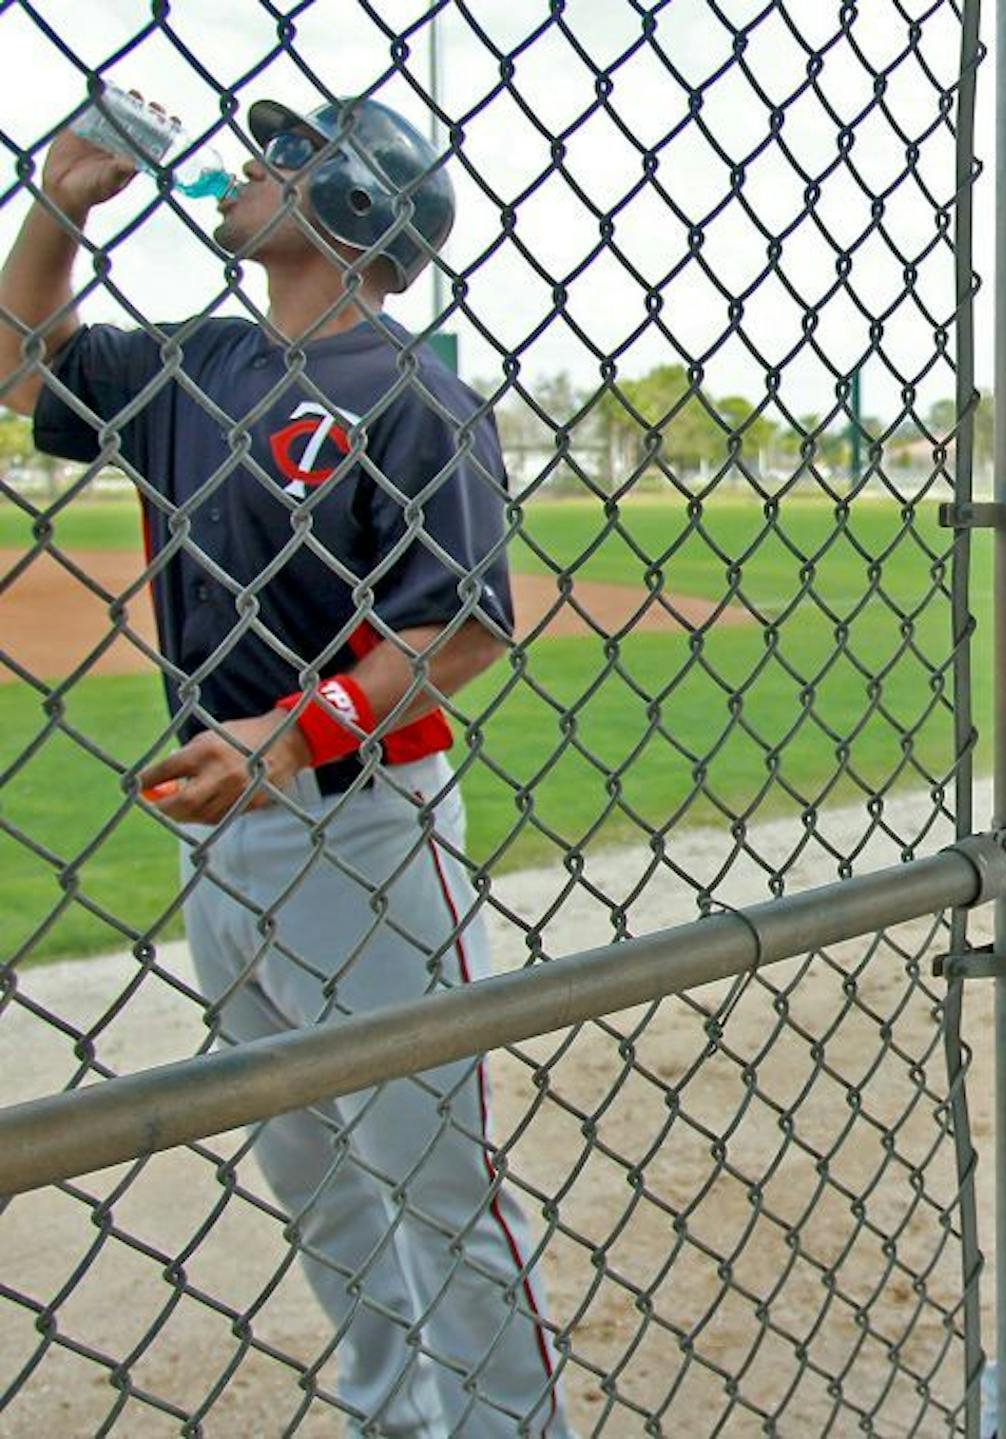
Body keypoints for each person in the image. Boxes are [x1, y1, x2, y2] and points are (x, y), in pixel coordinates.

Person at [0, 95, 572, 1437]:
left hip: (364, 825)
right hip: (227, 829)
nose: (253, 165)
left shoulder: (413, 392)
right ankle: (396, 1423)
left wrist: (300, 730)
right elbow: (21, 359)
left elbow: (461, 624)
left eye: (296, 153)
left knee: (436, 1180)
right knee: (316, 1176)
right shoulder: (198, 365)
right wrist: (64, 203)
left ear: (364, 205)